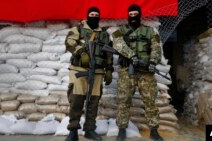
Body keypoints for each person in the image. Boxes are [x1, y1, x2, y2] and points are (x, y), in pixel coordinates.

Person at [112, 4, 164, 141]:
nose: (133, 17)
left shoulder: (150, 31)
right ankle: (122, 129)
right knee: (123, 101)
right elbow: (117, 43)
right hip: (126, 71)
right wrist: (131, 56)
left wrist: (153, 62)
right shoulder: (120, 31)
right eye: (131, 14)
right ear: (128, 16)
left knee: (150, 101)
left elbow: (156, 48)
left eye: (136, 14)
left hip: (145, 72)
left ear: (140, 15)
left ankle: (154, 131)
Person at [64, 7, 113, 141]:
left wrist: (109, 69)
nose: (94, 17)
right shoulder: (78, 29)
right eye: (91, 14)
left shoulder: (104, 34)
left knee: (93, 102)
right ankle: (73, 130)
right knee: (76, 100)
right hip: (79, 70)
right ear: (87, 15)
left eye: (96, 15)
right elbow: (69, 43)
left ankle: (89, 129)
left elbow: (108, 53)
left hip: (97, 72)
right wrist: (81, 52)